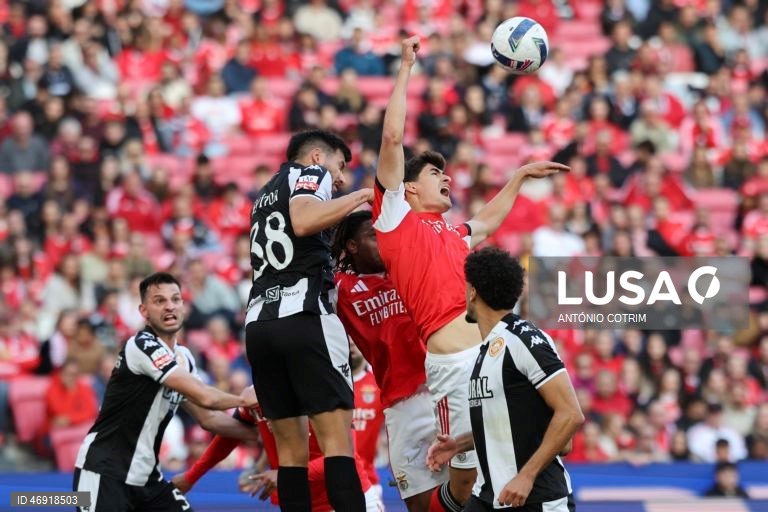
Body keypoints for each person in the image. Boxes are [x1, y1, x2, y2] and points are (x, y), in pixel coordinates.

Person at [374, 36, 569, 510]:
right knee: (463, 477)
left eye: (446, 173)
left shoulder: (450, 233)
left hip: (491, 355)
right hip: (449, 365)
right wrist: (405, 68)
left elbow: (486, 221)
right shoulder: (396, 220)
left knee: (504, 455)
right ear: (409, 189)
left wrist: (519, 176)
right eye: (433, 174)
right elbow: (393, 139)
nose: (445, 177)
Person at [245, 129, 374, 511]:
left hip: (259, 324)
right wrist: (363, 195)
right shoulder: (310, 174)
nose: (341, 178)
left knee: (289, 454)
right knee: (337, 444)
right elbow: (303, 221)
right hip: (305, 317)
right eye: (340, 165)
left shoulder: (263, 194)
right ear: (318, 157)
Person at [73, 272, 259, 512]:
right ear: (144, 311)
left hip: (148, 479)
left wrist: (259, 435)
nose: (169, 306)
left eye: (175, 299)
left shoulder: (185, 358)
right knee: (29, 499)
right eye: (159, 301)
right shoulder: (141, 345)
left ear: (184, 305)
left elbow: (209, 418)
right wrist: (246, 399)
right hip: (104, 471)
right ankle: (26, 498)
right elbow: (206, 396)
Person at [427, 248, 584, 511]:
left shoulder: (524, 338)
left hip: (535, 499)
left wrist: (526, 475)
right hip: (489, 496)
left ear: (473, 292)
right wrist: (460, 444)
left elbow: (571, 415)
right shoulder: (486, 349)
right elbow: (509, 422)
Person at [332, 210, 449, 511]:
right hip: (400, 405)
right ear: (352, 246)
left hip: (442, 391)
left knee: (466, 490)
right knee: (420, 503)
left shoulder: (408, 270)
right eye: (373, 236)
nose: (383, 243)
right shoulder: (340, 289)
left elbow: (476, 229)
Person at [171, 386, 383, 511]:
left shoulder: (323, 390)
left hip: (349, 500)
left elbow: (346, 457)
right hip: (302, 503)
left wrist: (286, 476)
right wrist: (192, 476)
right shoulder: (255, 395)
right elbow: (228, 437)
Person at [349, 340, 385, 501]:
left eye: (355, 340)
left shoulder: (379, 383)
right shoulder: (330, 384)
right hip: (332, 483)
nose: (350, 344)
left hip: (369, 481)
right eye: (346, 341)